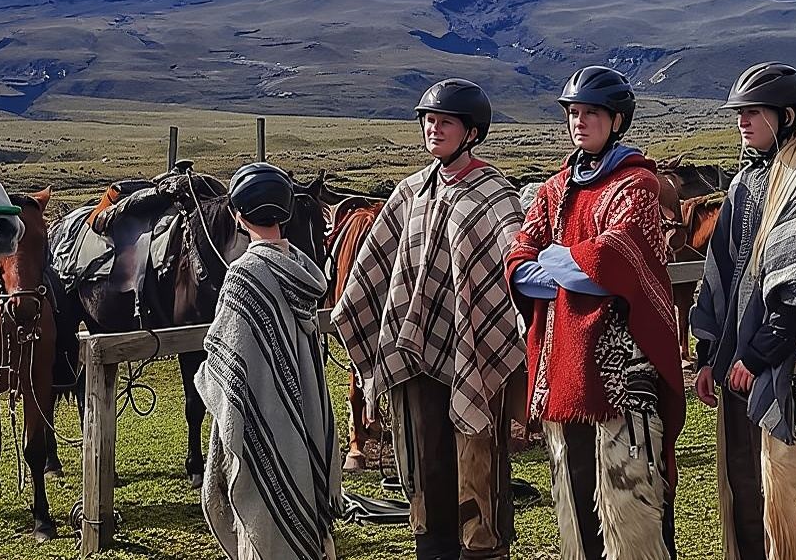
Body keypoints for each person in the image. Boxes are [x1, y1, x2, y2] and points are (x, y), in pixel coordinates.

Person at [333, 79, 526, 560]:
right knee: (425, 461)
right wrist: (358, 317)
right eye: (428, 121)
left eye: (445, 122)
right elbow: (374, 266)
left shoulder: (492, 192)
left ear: (472, 132)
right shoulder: (410, 191)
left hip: (475, 352)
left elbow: (512, 257)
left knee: (476, 457)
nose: (433, 129)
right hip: (412, 353)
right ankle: (432, 546)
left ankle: (482, 546)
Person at [506, 65, 685, 560]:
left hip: (620, 369)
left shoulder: (636, 184)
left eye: (592, 113)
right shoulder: (555, 186)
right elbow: (520, 263)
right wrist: (571, 268)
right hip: (562, 363)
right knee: (577, 492)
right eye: (574, 113)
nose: (580, 122)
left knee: (632, 499)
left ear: (617, 120)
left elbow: (614, 262)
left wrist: (564, 261)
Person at [689, 62, 796, 560]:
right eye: (739, 113)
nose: (742, 122)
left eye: (752, 113)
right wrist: (707, 354)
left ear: (784, 116)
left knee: (791, 492)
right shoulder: (744, 183)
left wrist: (757, 356)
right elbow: (721, 272)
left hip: (792, 371)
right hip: (741, 364)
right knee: (745, 486)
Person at [195, 162, 342, 560]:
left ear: (238, 216)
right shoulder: (302, 271)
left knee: (265, 523)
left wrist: (206, 375)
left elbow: (228, 366)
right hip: (304, 413)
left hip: (261, 418)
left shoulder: (244, 275)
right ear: (287, 213)